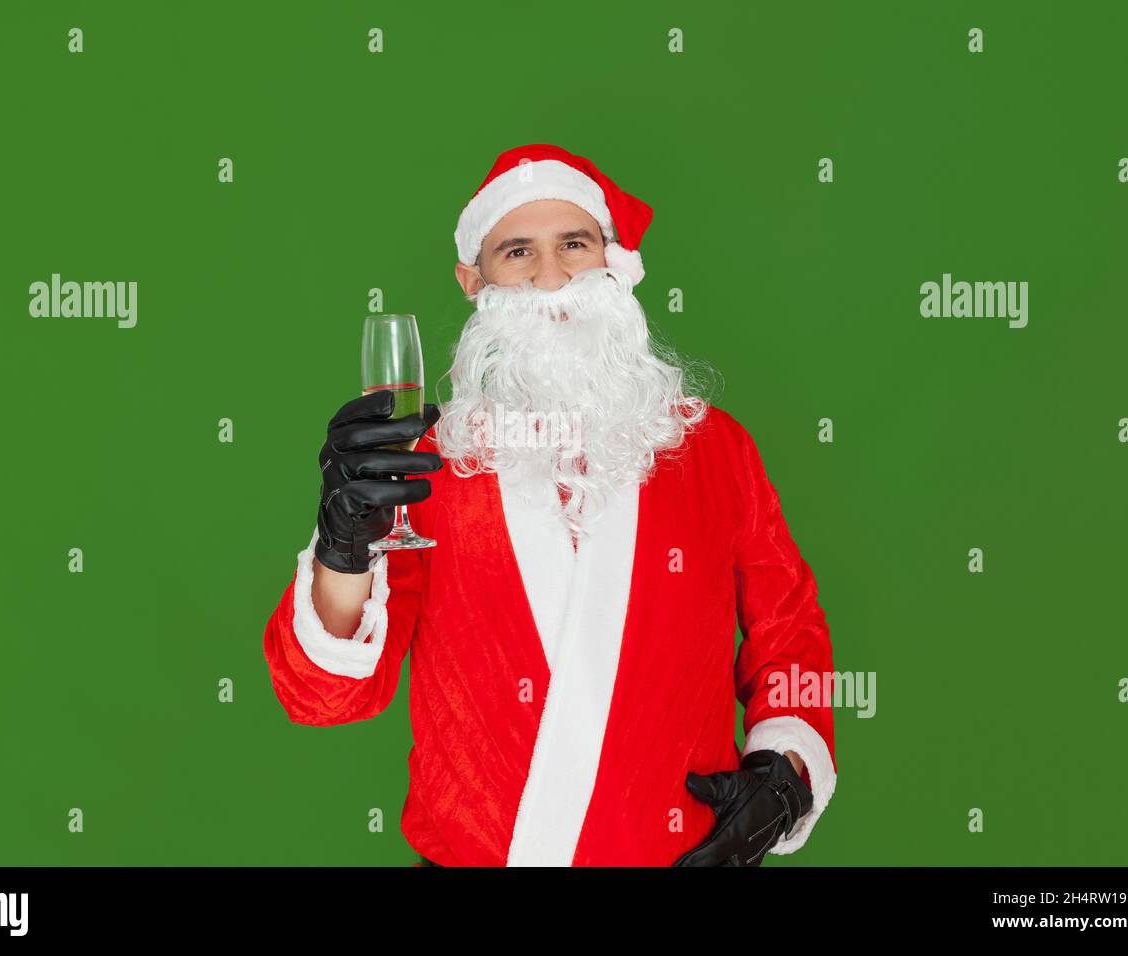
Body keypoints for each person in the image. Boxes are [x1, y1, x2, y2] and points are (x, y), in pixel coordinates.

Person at [263, 143, 836, 866]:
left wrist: (786, 771)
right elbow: (326, 698)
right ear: (474, 281)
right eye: (517, 253)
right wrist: (344, 543)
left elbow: (790, 631)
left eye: (574, 244)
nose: (551, 277)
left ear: (614, 263)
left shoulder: (713, 447)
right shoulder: (423, 466)